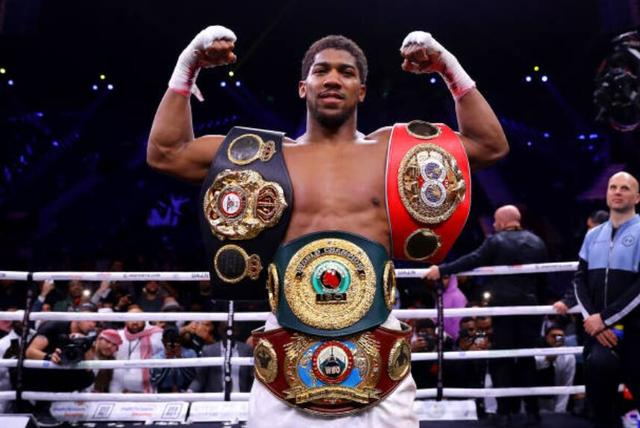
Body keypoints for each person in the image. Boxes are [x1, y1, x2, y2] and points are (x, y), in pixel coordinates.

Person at [147, 25, 508, 427]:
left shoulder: (393, 153)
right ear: (304, 87)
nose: (333, 79)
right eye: (321, 71)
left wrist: (448, 67)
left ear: (362, 91)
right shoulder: (263, 158)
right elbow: (167, 152)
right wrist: (188, 65)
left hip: (379, 361)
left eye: (346, 72)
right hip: (285, 360)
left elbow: (489, 145)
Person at [423, 204, 548, 426]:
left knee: (501, 359)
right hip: (530, 308)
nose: (493, 225)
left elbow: (472, 259)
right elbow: (543, 280)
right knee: (527, 358)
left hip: (504, 309)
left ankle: (504, 412)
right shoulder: (537, 242)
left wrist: (442, 270)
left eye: (496, 221)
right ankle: (532, 412)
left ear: (503, 221)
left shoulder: (497, 241)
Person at [574, 171, 640, 428]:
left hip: (634, 330)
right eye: (613, 187)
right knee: (600, 406)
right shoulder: (592, 235)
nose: (617, 192)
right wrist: (595, 321)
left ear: (637, 197)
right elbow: (579, 280)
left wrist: (603, 319)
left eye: (624, 188)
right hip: (600, 333)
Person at [109, 305, 163, 393]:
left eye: (138, 318)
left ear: (144, 319)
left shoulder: (157, 335)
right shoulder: (117, 335)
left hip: (147, 389)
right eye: (131, 318)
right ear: (125, 321)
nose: (135, 322)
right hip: (119, 388)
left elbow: (166, 355)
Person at [534, 323, 575, 413]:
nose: (557, 339)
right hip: (534, 394)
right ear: (546, 337)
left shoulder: (569, 356)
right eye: (553, 336)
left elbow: (567, 384)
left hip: (554, 396)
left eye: (560, 337)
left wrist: (560, 411)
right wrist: (552, 354)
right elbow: (537, 364)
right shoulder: (536, 350)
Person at [150, 326, 197, 393]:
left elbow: (194, 379)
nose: (173, 345)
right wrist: (166, 363)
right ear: (163, 342)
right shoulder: (156, 359)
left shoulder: (190, 354)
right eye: (168, 342)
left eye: (176, 341)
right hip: (164, 394)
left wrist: (180, 359)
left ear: (180, 340)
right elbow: (155, 382)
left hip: (186, 392)